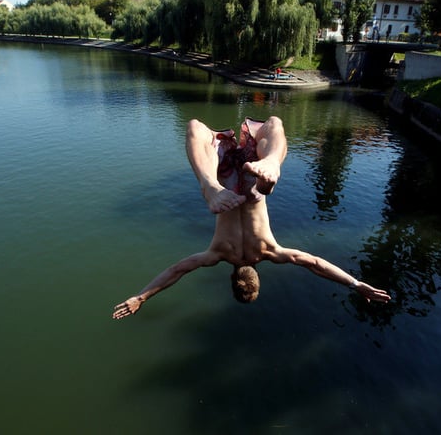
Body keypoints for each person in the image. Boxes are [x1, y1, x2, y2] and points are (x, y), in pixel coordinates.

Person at [112, 116, 390, 320]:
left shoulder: (270, 251)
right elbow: (177, 270)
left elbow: (315, 264)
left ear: (255, 277)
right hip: (228, 182)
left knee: (274, 125)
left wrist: (356, 284)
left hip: (243, 186)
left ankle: (257, 171)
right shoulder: (217, 253)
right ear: (231, 278)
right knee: (197, 128)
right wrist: (141, 296)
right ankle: (218, 183)